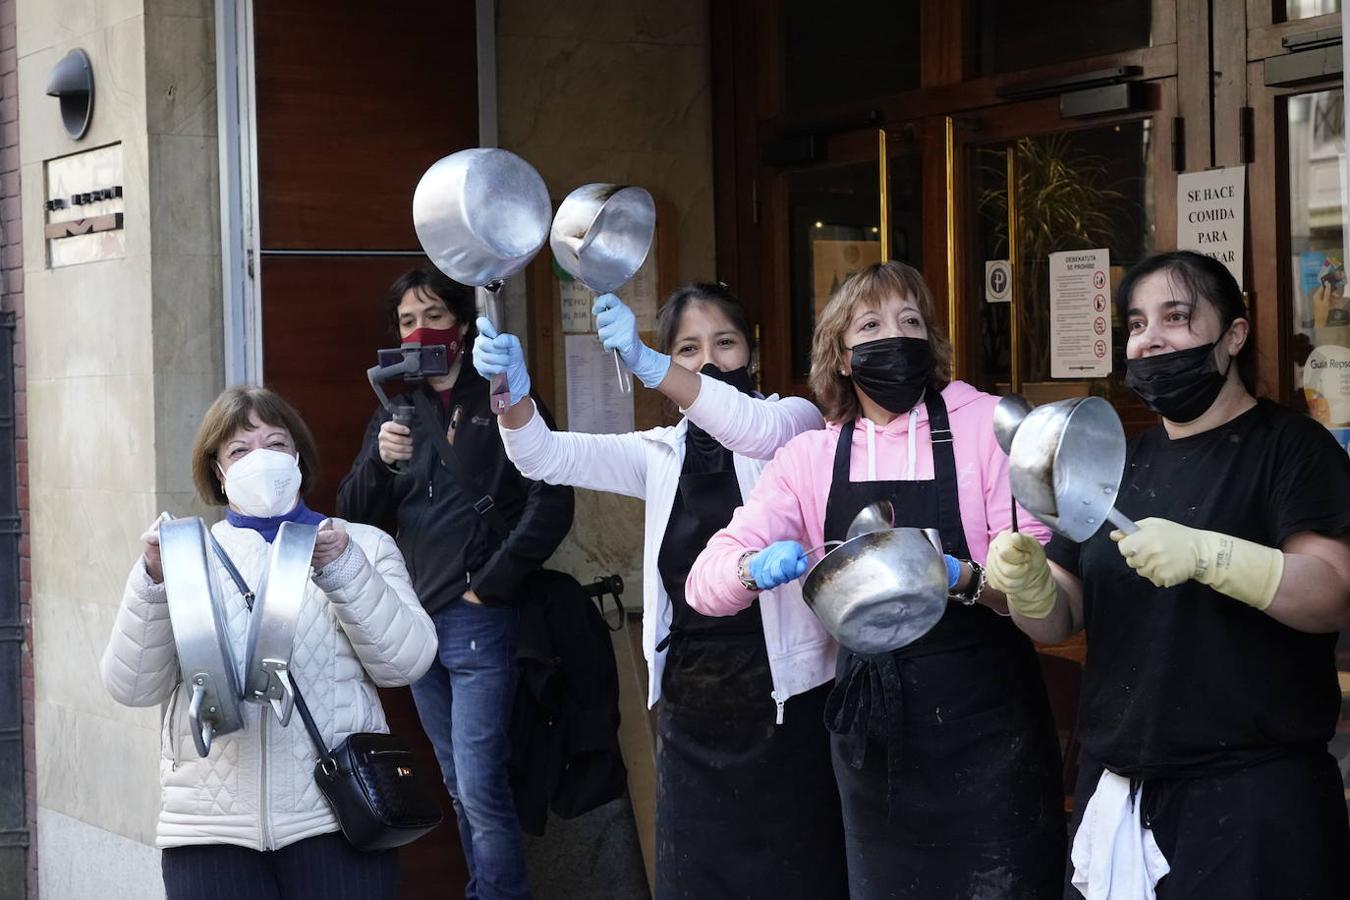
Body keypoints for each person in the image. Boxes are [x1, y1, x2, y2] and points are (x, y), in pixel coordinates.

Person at [687, 261, 1066, 897]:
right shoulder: (810, 457)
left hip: (990, 734)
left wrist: (970, 578)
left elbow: (1044, 586)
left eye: (910, 321)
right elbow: (705, 583)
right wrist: (753, 568)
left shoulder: (988, 429)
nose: (895, 337)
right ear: (840, 356)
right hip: (875, 744)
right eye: (871, 325)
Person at [985, 250, 1350, 898]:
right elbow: (1057, 619)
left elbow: (1331, 594)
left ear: (1232, 335)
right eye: (1136, 323)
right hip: (1119, 790)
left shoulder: (1292, 448)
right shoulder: (1110, 461)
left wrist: (1214, 557)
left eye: (1175, 317)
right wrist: (1028, 584)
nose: (1150, 337)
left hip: (1253, 805)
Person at [473, 284, 848, 898]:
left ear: (752, 353)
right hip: (693, 699)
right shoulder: (660, 454)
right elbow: (542, 456)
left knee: (796, 874)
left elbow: (743, 425)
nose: (707, 360)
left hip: (786, 698)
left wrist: (651, 363)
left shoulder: (795, 424)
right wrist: (510, 392)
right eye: (687, 348)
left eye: (724, 343)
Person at [100, 386, 437, 900]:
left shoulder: (361, 545)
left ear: (298, 457)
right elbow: (132, 685)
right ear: (218, 471)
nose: (261, 459)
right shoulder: (187, 556)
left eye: (275, 443)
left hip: (334, 822)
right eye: (239, 450)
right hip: (209, 832)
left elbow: (406, 661)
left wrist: (344, 570)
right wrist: (151, 581)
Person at [336, 265, 574, 900]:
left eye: (433, 317)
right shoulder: (395, 406)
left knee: (479, 783)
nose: (420, 332)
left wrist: (490, 586)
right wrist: (382, 464)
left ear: (463, 328)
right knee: (454, 782)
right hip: (415, 621)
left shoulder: (503, 395)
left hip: (477, 616)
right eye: (408, 322)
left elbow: (551, 498)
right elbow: (352, 515)